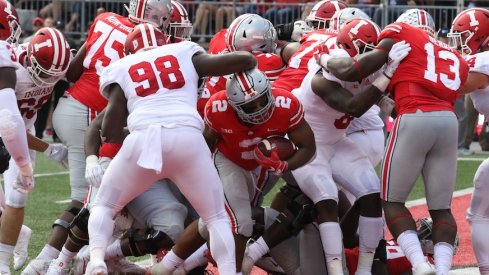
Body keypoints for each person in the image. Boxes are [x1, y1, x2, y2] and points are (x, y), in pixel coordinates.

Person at [85, 20, 258, 274]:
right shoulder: (182, 51)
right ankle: (229, 271)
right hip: (187, 137)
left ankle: (97, 260)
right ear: (163, 42)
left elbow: (109, 131)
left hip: (143, 140)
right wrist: (250, 63)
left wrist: (138, 129)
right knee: (216, 217)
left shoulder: (122, 67)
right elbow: (241, 59)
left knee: (104, 205)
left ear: (131, 51)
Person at [22, 1, 173, 274]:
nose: (166, 28)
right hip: (90, 115)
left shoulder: (105, 19)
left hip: (72, 104)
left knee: (111, 193)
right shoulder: (150, 44)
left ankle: (103, 256)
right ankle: (45, 263)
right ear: (154, 17)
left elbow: (73, 72)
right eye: (164, 21)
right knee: (86, 199)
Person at [325, 8, 469, 275]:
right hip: (448, 122)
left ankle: (418, 262)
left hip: (415, 115)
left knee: (391, 201)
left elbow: (357, 69)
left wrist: (328, 59)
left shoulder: (400, 33)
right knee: (441, 208)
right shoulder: (455, 56)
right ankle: (443, 269)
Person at [0, 25, 71, 275]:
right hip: (8, 128)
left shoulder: (53, 64)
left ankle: (2, 265)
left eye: (55, 75)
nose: (50, 80)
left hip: (23, 132)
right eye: (44, 73)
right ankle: (20, 234)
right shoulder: (10, 70)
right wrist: (49, 149)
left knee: (17, 198)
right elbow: (11, 124)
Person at [448, 8, 489, 274]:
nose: (458, 44)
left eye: (462, 37)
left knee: (479, 215)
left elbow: (449, 85)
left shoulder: (483, 60)